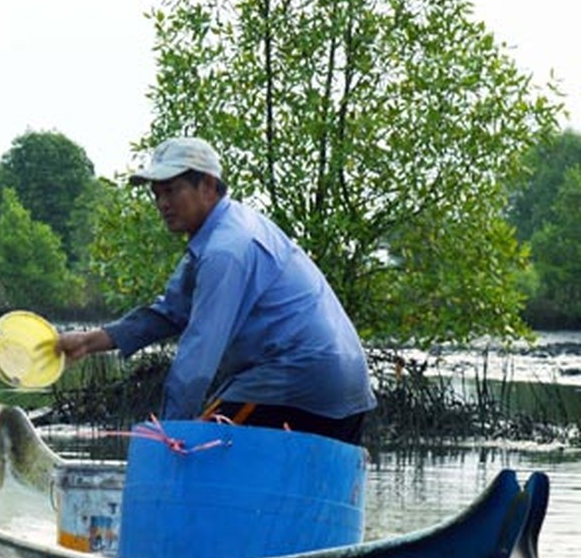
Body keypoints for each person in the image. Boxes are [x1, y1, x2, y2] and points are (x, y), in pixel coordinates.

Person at [58, 136, 376, 444]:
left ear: (208, 185)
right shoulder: (221, 233)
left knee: (193, 452)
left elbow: (197, 358)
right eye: (156, 194)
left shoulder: (225, 250)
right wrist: (88, 342)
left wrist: (167, 436)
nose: (162, 204)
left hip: (297, 382)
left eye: (171, 190)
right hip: (341, 387)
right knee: (290, 495)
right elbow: (169, 313)